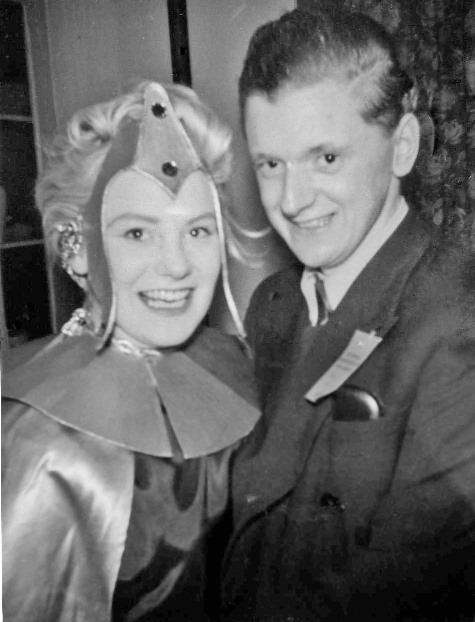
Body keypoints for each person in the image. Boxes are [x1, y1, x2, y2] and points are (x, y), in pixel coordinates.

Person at [221, 7, 475, 622]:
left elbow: (395, 595)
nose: (291, 200)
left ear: (402, 147)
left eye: (326, 159)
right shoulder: (273, 305)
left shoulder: (459, 321)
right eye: (271, 164)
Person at [2, 81, 260, 622]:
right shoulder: (37, 439)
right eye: (138, 233)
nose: (177, 266)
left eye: (198, 231)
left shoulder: (242, 366)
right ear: (75, 248)